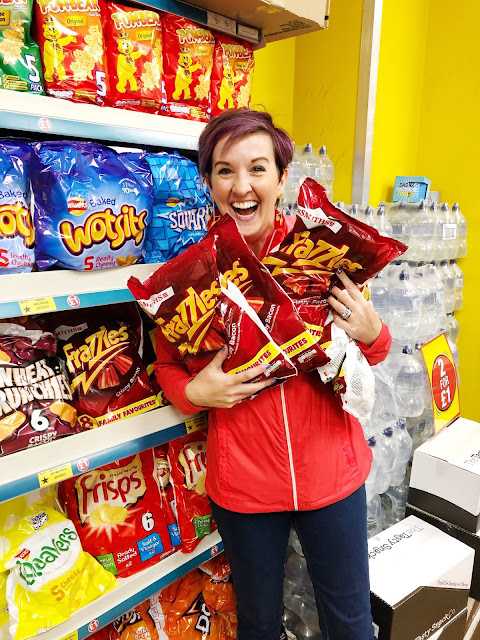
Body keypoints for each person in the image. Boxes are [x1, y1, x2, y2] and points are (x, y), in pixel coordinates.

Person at [155, 109, 391, 640]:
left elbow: (374, 354)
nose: (242, 186)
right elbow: (166, 364)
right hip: (245, 487)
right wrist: (194, 391)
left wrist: (373, 331)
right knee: (259, 625)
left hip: (333, 475)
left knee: (351, 625)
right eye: (225, 170)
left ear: (282, 178)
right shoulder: (193, 274)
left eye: (258, 168)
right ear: (208, 182)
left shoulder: (324, 252)